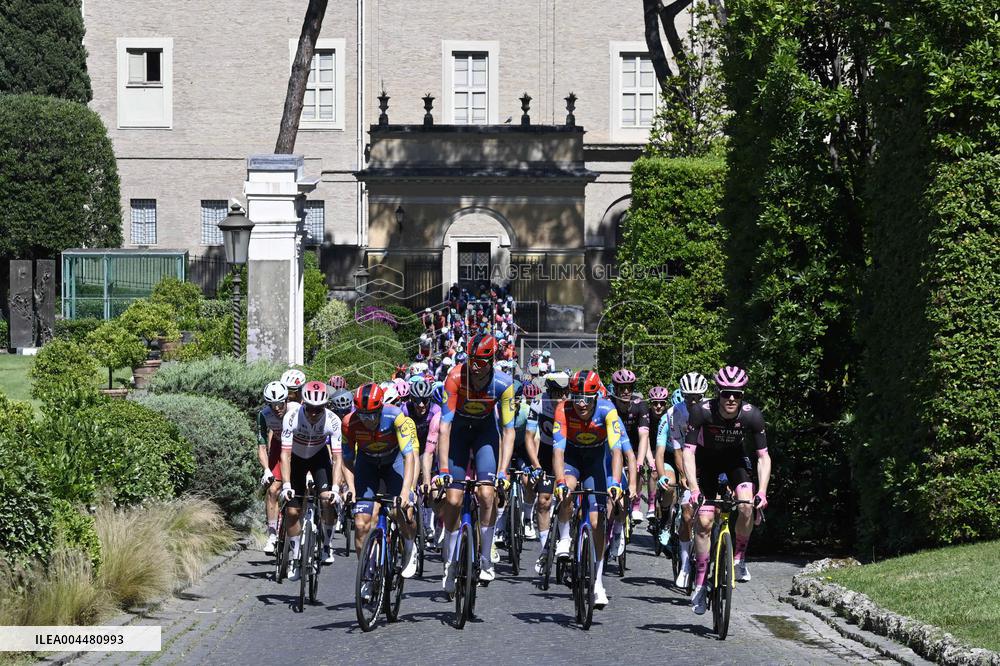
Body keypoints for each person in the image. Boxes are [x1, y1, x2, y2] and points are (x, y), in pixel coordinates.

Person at [684, 366, 771, 615]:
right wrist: (693, 487)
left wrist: (762, 492)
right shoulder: (701, 412)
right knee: (704, 520)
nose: (731, 398)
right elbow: (688, 452)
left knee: (746, 505)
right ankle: (700, 584)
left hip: (735, 462)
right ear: (717, 393)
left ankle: (739, 558)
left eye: (736, 393)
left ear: (742, 394)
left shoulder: (752, 415)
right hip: (707, 463)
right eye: (725, 393)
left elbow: (763, 457)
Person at [436, 333, 517, 588]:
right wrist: (444, 470)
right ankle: (449, 561)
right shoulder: (455, 377)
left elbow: (508, 431)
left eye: (481, 361)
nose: (475, 366)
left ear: (492, 360)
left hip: (485, 435)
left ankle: (485, 558)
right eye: (471, 359)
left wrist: (503, 472)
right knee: (453, 498)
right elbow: (444, 428)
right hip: (458, 433)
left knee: (486, 494)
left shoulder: (504, 384)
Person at [552, 370, 625, 609]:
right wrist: (560, 481)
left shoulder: (607, 410)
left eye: (586, 398)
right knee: (567, 490)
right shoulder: (563, 409)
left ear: (596, 397)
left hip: (595, 462)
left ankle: (597, 582)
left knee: (597, 522)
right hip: (572, 458)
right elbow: (558, 452)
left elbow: (616, 451)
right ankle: (564, 538)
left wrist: (615, 481)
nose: (581, 404)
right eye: (576, 397)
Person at [342, 383, 420, 588]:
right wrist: (350, 487)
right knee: (361, 523)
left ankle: (410, 546)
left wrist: (406, 491)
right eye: (362, 415)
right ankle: (367, 575)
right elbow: (347, 461)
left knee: (402, 511)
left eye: (372, 415)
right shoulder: (349, 423)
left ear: (380, 408)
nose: (367, 420)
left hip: (393, 463)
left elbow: (409, 457)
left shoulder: (396, 417)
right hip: (367, 464)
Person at [279, 381, 342, 579]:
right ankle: (296, 555)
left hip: (319, 458)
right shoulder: (291, 417)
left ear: (325, 406)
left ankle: (327, 544)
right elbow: (285, 455)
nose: (313, 413)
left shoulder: (333, 421)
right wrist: (286, 485)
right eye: (310, 408)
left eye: (318, 409)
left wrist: (336, 489)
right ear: (303, 403)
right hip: (296, 459)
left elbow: (338, 458)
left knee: (326, 499)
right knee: (292, 510)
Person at [657, 373, 707, 587]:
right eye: (688, 398)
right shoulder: (675, 413)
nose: (692, 402)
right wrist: (685, 476)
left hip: (707, 459)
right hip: (685, 458)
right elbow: (678, 451)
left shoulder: (711, 410)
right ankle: (686, 564)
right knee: (687, 513)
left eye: (696, 398)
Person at [608, 368, 652, 523]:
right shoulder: (609, 403)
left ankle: (636, 504)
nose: (626, 391)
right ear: (615, 388)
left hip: (633, 444)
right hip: (612, 445)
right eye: (621, 387)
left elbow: (644, 436)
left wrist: (640, 462)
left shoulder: (640, 405)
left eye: (629, 387)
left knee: (639, 468)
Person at [258, 381, 289, 555]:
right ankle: (272, 534)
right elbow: (261, 447)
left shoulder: (296, 410)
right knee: (272, 490)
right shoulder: (264, 415)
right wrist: (266, 470)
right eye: (272, 404)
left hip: (298, 447)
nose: (277, 408)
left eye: (280, 404)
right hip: (279, 446)